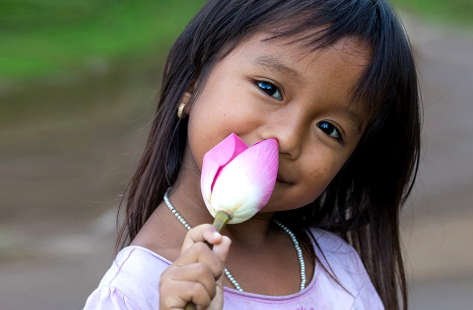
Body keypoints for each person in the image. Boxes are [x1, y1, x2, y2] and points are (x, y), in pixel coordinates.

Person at [83, 0, 420, 309]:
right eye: (269, 89)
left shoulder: (339, 269)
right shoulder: (134, 290)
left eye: (329, 129)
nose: (288, 139)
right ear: (192, 82)